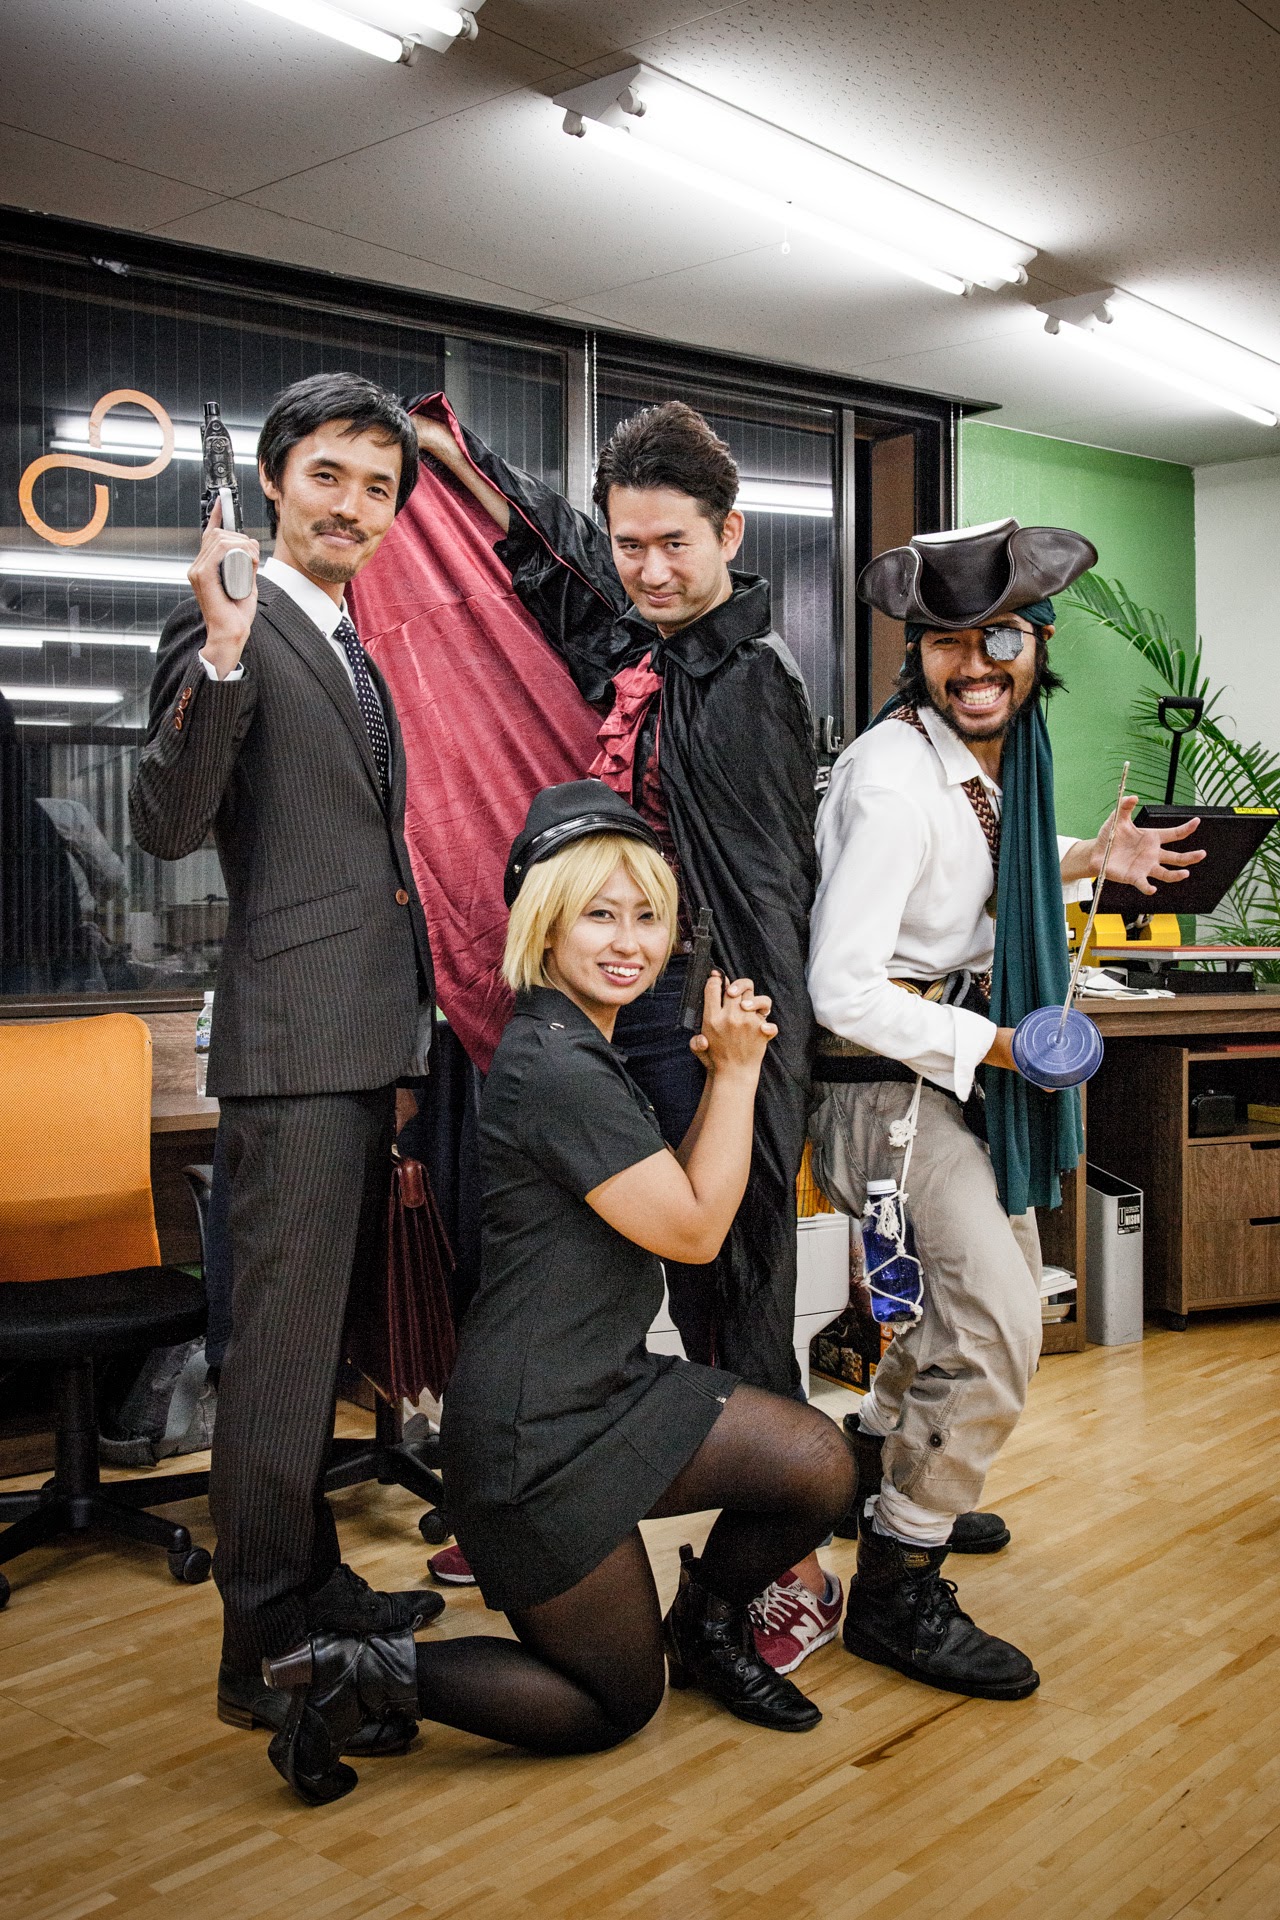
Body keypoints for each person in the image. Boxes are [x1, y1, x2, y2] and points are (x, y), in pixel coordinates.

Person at [257, 782, 856, 1806]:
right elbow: (695, 1229)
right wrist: (736, 1074)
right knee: (609, 1705)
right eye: (598, 914)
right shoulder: (557, 1065)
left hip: (602, 1388)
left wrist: (724, 1072)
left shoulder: (575, 1043)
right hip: (532, 1437)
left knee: (815, 1464)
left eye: (647, 916)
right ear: (544, 925)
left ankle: (706, 1626)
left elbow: (672, 1193)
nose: (628, 942)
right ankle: (354, 1673)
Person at [411, 398, 837, 1670]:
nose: (647, 570)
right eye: (630, 543)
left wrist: (749, 1055)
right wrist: (463, 466)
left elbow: (767, 888)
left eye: (673, 545)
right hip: (629, 1010)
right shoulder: (655, 642)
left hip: (708, 1011)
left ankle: (783, 1566)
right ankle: (537, 1488)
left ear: (730, 536)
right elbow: (571, 586)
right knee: (577, 1254)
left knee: (733, 1275)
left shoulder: (746, 680)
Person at [806, 518, 1204, 1700]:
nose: (974, 665)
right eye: (947, 644)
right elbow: (841, 986)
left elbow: (980, 861)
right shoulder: (891, 779)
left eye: (999, 639)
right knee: (995, 1326)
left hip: (953, 1076)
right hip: (883, 1084)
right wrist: (996, 1046)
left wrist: (1085, 859)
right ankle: (896, 1583)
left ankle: (875, 1470)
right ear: (916, 657)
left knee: (995, 1300)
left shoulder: (986, 763)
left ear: (1038, 645)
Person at [130, 372, 446, 1750]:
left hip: (364, 1044)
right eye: (329, 475)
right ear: (272, 480)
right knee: (273, 1366)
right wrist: (218, 650)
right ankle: (263, 1647)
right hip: (293, 1049)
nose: (354, 507)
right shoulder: (235, 624)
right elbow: (165, 823)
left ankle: (314, 1584)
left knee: (313, 1359)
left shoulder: (351, 642)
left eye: (379, 487)